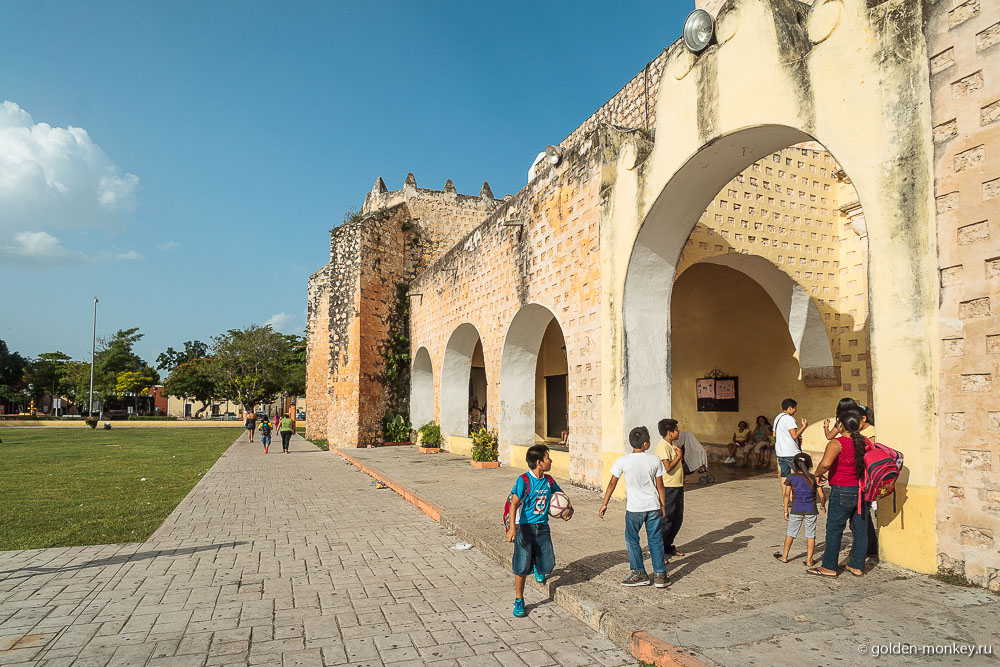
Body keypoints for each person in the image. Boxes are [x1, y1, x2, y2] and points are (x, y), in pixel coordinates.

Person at [506, 444, 573, 617]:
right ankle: (519, 600)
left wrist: (568, 511)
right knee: (521, 566)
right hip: (525, 528)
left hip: (543, 527)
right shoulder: (524, 480)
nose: (550, 460)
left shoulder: (549, 481)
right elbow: (514, 504)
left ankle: (538, 565)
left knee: (548, 564)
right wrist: (512, 528)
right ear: (539, 462)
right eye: (548, 457)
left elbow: (562, 499)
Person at [598, 426, 670, 589]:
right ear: (646, 444)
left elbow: (612, 483)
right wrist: (662, 505)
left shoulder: (623, 460)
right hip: (653, 506)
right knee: (655, 539)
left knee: (632, 540)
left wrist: (605, 504)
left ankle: (639, 573)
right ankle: (660, 575)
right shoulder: (654, 460)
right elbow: (660, 485)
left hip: (634, 508)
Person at [808, 409, 869, 577]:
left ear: (840, 425)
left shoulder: (837, 443)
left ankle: (829, 566)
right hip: (861, 490)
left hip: (842, 490)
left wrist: (817, 474)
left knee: (834, 529)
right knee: (860, 530)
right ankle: (856, 565)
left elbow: (826, 464)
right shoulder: (864, 442)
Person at [775, 452, 826, 566]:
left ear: (794, 464)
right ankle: (809, 560)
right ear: (810, 465)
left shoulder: (791, 478)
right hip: (811, 510)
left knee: (791, 533)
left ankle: (784, 556)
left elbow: (786, 495)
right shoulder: (813, 478)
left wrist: (785, 511)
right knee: (810, 535)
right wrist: (822, 506)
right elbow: (822, 495)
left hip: (796, 509)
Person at [654, 419, 686, 562]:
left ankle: (668, 546)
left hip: (677, 485)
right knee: (666, 519)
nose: (678, 431)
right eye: (676, 429)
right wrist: (679, 456)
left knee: (677, 518)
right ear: (669, 432)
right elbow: (667, 468)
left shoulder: (672, 445)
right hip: (668, 487)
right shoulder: (663, 446)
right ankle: (659, 551)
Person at [773, 399, 809, 484]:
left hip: (780, 452)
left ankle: (786, 496)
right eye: (795, 408)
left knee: (784, 475)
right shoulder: (789, 419)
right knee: (802, 473)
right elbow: (794, 435)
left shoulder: (778, 418)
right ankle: (801, 495)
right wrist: (804, 426)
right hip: (791, 452)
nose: (796, 410)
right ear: (790, 408)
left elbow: (774, 435)